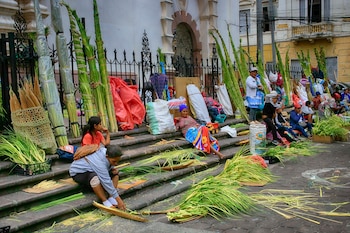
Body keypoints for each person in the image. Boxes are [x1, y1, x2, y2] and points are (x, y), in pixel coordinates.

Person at [69, 144, 126, 209]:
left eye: (118, 161)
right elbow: (106, 181)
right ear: (107, 156)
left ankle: (111, 197)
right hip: (79, 173)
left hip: (93, 169)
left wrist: (111, 168)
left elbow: (107, 167)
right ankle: (105, 201)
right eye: (114, 161)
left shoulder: (106, 153)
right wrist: (119, 200)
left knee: (115, 174)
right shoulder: (100, 162)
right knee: (94, 178)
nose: (116, 164)